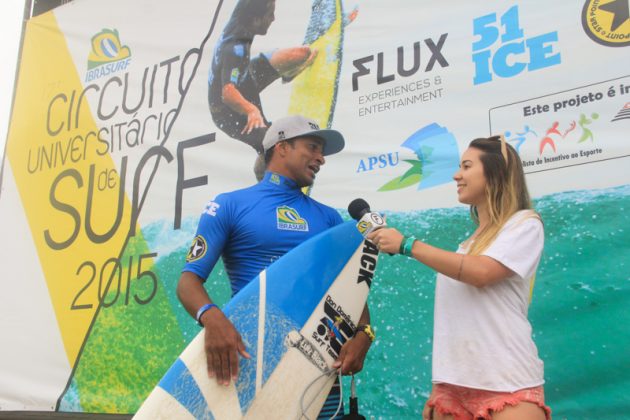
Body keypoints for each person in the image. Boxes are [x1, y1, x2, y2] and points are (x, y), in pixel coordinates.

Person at [177, 115, 374, 419]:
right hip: (252, 362)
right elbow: (188, 283)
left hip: (317, 366)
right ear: (282, 147)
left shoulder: (329, 219)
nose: (321, 158)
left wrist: (364, 334)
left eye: (321, 151)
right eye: (313, 147)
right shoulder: (229, 205)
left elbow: (352, 288)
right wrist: (212, 318)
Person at [368, 136, 551, 420]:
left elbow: (482, 273)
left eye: (466, 166)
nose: (456, 175)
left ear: (495, 172)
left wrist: (408, 245)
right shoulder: (466, 245)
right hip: (452, 392)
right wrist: (439, 386)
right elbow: (455, 321)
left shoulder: (525, 224)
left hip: (509, 383)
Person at [208, 0, 318, 179]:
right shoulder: (235, 48)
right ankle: (264, 182)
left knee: (302, 53)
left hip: (245, 78)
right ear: (254, 19)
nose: (273, 18)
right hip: (228, 112)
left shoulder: (241, 23)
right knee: (273, 146)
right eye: (269, 14)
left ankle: (288, 74)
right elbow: (228, 93)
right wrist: (251, 110)